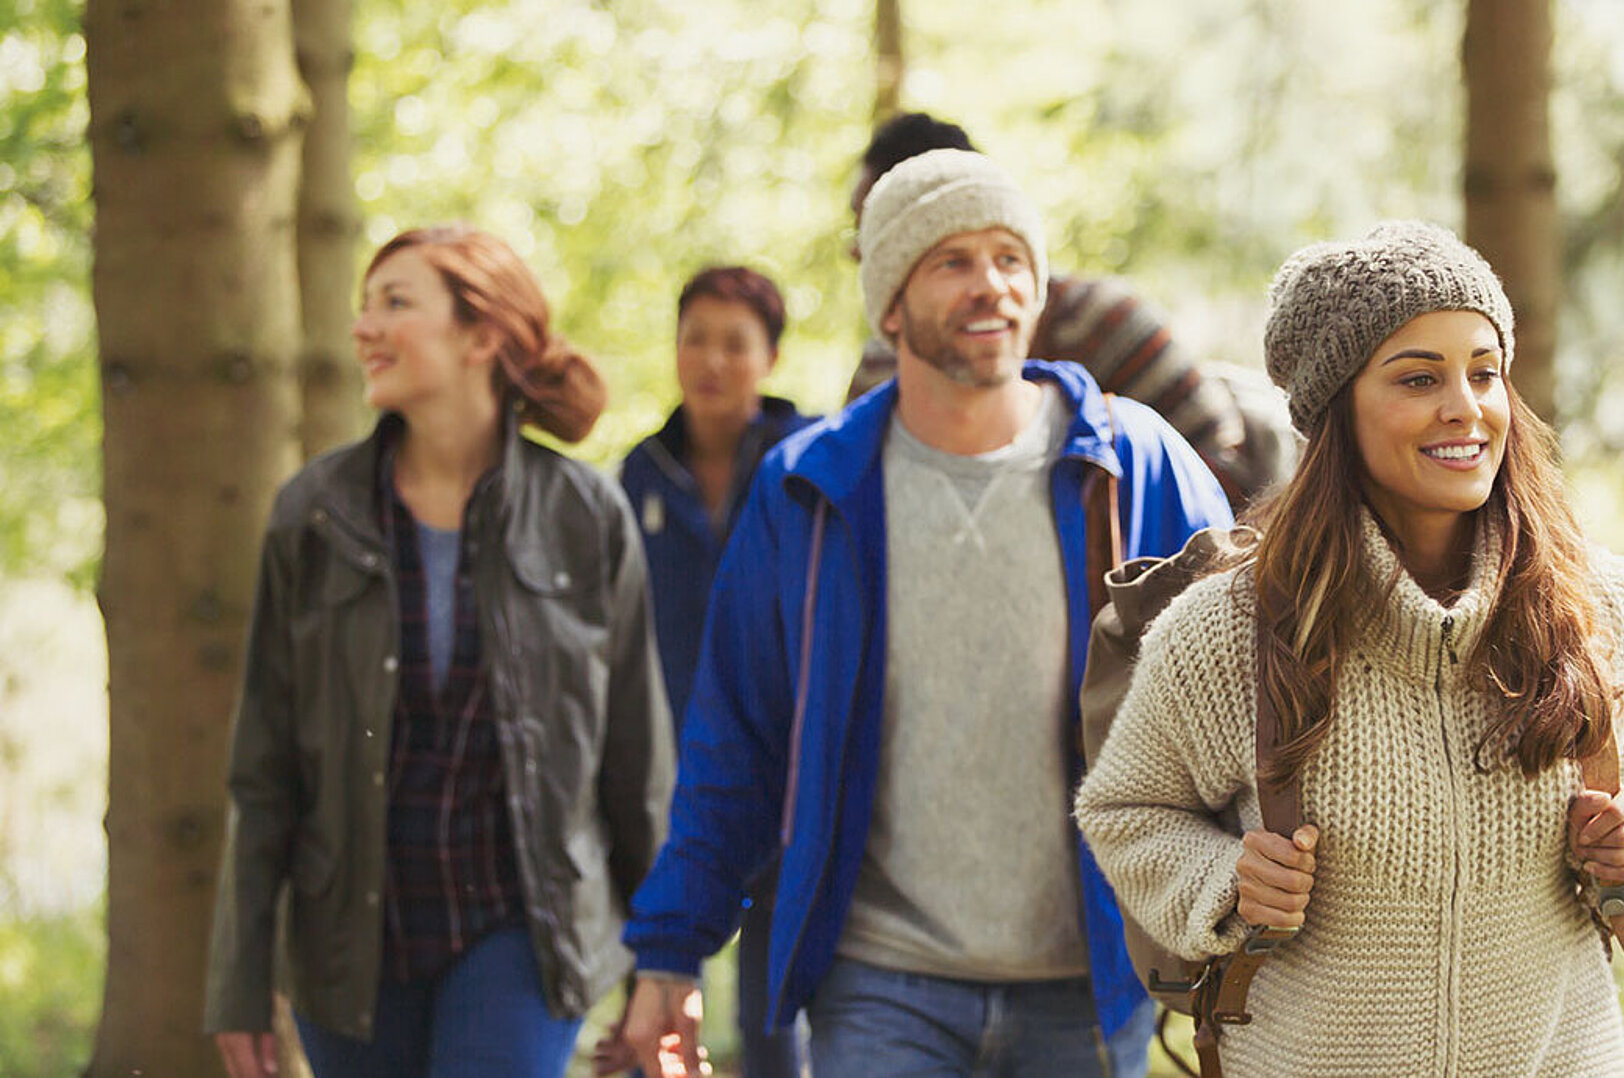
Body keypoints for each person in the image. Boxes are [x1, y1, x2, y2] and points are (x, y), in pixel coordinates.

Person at [595, 150, 1233, 1078]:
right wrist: (669, 950)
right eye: (954, 262)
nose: (992, 286)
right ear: (890, 302)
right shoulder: (812, 490)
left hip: (1087, 978)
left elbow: (1235, 696)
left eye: (1011, 260)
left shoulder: (1133, 467)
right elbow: (736, 744)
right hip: (880, 983)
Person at [1075, 221, 1624, 1074]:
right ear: (1336, 410)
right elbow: (1126, 811)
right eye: (1419, 377)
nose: (1465, 406)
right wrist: (1225, 883)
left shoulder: (1598, 603)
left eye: (1484, 372)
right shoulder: (1225, 632)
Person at [205, 225, 676, 1078]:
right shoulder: (312, 516)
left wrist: (666, 965)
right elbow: (263, 769)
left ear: (481, 335)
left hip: (523, 929)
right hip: (349, 941)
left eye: (395, 302)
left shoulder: (586, 517)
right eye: (362, 306)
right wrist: (238, 985)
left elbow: (636, 767)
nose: (363, 328)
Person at [844, 111, 1299, 508]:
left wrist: (1115, 546)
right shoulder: (877, 376)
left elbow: (1224, 456)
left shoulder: (1104, 324)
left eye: (871, 230)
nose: (858, 253)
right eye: (951, 264)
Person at [617, 266, 815, 1078]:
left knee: (774, 1027)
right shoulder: (639, 474)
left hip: (788, 772)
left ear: (768, 357)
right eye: (694, 337)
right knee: (653, 1008)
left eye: (735, 343)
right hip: (668, 776)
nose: (711, 360)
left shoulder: (810, 463)